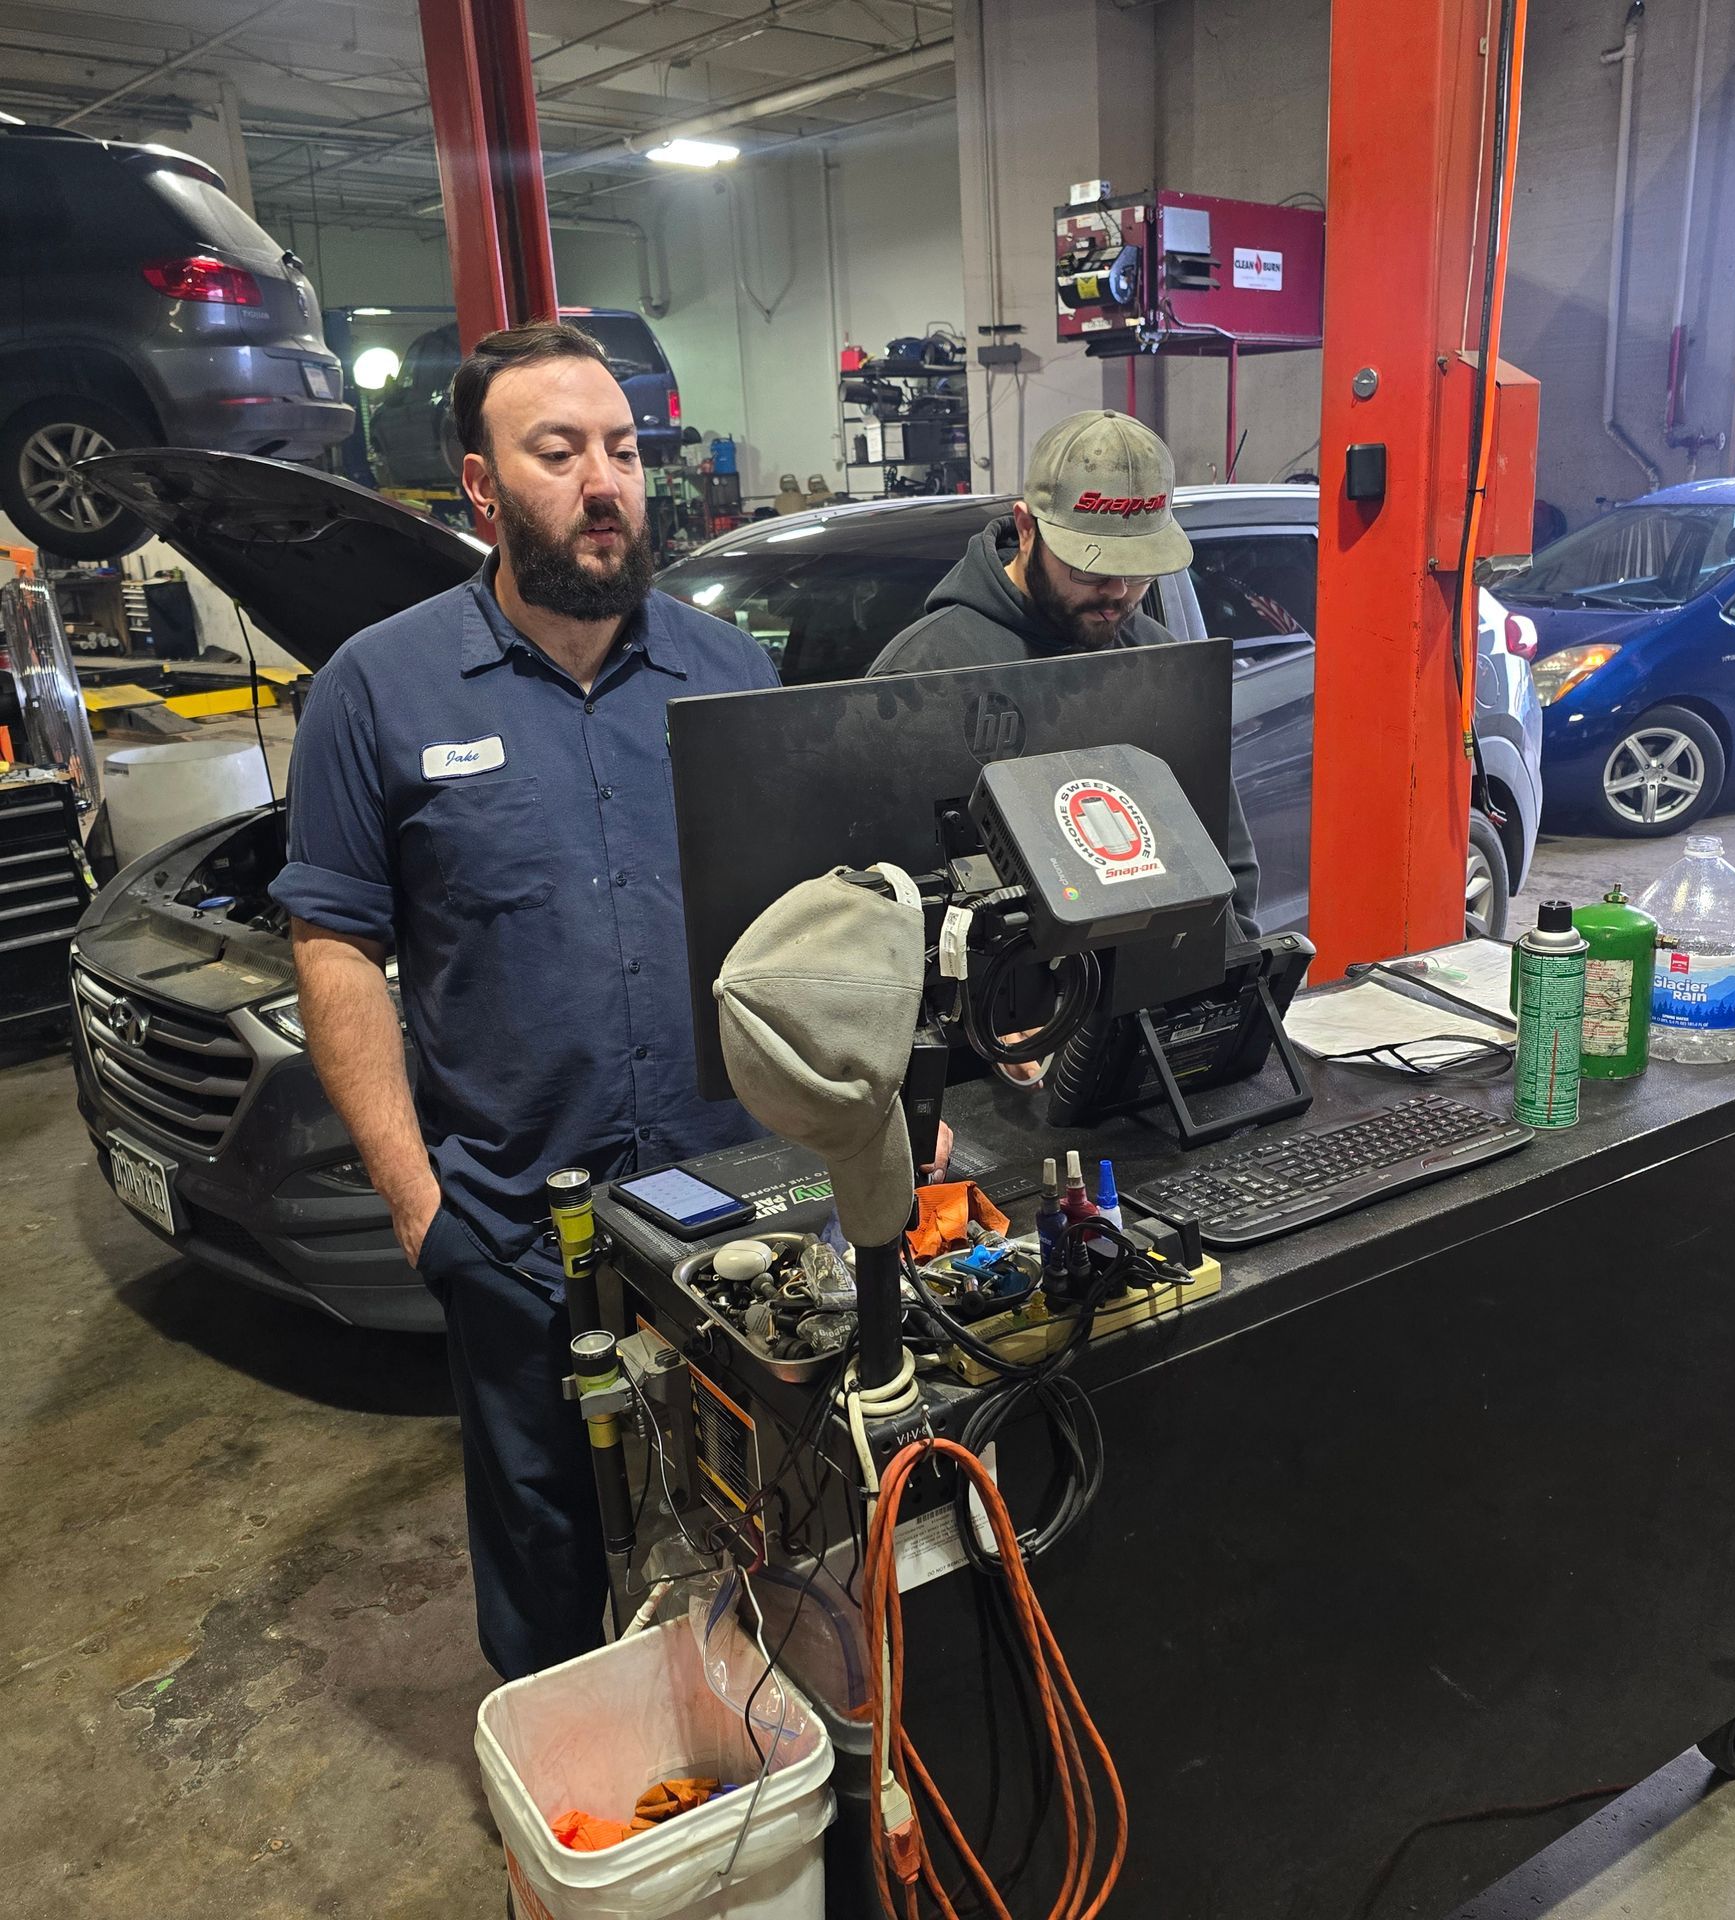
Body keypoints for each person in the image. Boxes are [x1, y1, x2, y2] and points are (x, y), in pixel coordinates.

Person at [269, 319, 779, 1681]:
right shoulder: (378, 690)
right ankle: (573, 1831)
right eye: (559, 453)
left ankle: (763, 1807)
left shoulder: (732, 679)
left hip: (736, 1208)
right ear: (483, 487)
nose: (605, 481)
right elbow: (334, 950)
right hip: (513, 1226)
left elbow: (812, 927)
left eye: (621, 449)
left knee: (771, 1523)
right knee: (548, 1559)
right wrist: (415, 1201)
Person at [869, 409, 1261, 932]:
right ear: (1027, 527)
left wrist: (1231, 967)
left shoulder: (1155, 660)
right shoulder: (923, 673)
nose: (1118, 593)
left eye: (1138, 570)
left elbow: (1221, 850)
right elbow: (882, 895)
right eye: (1092, 569)